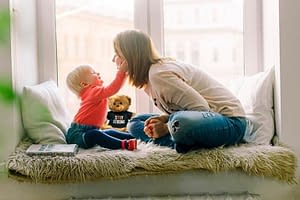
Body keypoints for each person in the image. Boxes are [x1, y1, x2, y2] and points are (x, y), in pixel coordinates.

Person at [112, 29, 253, 153]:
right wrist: (164, 119)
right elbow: (182, 110)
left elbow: (202, 109)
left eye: (117, 54)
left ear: (129, 57)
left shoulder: (159, 75)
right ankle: (184, 144)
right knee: (135, 123)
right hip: (201, 120)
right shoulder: (149, 78)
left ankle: (180, 141)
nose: (114, 59)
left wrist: (166, 127)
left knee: (179, 123)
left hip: (231, 122)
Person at [65, 60, 137, 151]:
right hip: (78, 134)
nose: (97, 73)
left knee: (108, 132)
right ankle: (124, 144)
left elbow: (114, 88)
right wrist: (121, 72)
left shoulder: (92, 92)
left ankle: (133, 136)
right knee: (96, 134)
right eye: (93, 73)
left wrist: (125, 74)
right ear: (84, 84)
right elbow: (113, 89)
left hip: (89, 130)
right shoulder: (93, 91)